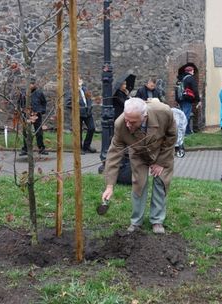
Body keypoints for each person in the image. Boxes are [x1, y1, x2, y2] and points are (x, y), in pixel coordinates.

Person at [102, 98, 176, 234]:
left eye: (133, 122)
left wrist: (160, 162)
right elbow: (114, 154)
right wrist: (109, 185)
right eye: (127, 120)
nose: (128, 125)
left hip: (162, 151)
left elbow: (172, 136)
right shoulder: (120, 124)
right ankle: (136, 222)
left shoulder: (164, 112)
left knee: (160, 181)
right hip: (138, 153)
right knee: (139, 183)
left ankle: (157, 220)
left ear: (144, 116)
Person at [66, 77, 97, 154]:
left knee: (92, 128)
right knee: (78, 131)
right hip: (78, 114)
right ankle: (79, 148)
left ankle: (86, 146)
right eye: (77, 80)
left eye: (80, 80)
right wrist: (77, 107)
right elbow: (67, 103)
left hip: (87, 113)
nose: (79, 81)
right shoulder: (71, 91)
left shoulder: (85, 89)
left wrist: (90, 106)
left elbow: (89, 99)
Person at [19, 78, 48, 156]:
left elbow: (44, 102)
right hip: (26, 115)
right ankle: (25, 149)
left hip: (37, 115)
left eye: (32, 84)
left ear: (34, 85)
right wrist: (22, 110)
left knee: (39, 132)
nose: (31, 85)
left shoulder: (39, 93)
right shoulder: (23, 93)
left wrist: (42, 110)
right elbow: (20, 103)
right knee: (26, 132)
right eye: (29, 84)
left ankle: (41, 148)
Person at [176, 66, 201, 135]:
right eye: (193, 71)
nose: (193, 72)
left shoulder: (180, 78)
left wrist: (177, 100)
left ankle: (188, 131)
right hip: (187, 99)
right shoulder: (191, 78)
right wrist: (198, 100)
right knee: (185, 116)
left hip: (180, 99)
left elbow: (176, 89)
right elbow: (195, 90)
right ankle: (182, 133)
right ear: (190, 71)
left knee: (184, 115)